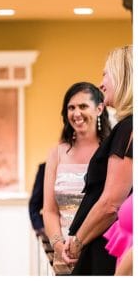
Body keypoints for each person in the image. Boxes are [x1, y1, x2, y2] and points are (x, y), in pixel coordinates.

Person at [63, 46, 133, 274]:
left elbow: (110, 204)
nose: (101, 83)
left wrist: (77, 242)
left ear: (124, 76)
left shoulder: (128, 128)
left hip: (104, 245)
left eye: (106, 74)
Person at [41, 82, 110, 271]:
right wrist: (58, 245)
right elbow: (49, 210)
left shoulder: (111, 152)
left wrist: (79, 244)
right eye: (71, 107)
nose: (76, 113)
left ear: (99, 108)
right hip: (64, 254)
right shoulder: (57, 153)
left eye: (83, 106)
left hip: (101, 249)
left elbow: (112, 207)